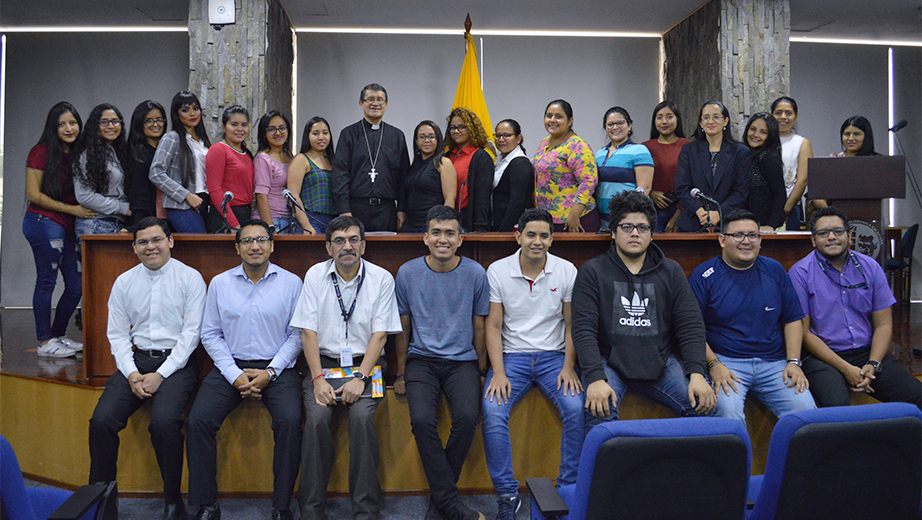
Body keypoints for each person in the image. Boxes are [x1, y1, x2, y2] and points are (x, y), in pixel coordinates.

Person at [88, 217, 205, 520]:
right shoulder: (125, 281)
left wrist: (161, 374)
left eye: (157, 240)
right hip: (137, 362)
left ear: (170, 241)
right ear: (134, 247)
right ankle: (102, 500)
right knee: (101, 421)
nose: (150, 247)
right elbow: (116, 334)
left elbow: (191, 335)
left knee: (164, 423)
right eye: (143, 242)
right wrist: (131, 373)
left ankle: (172, 500)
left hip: (177, 364)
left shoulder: (190, 278)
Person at [186, 219, 303, 520]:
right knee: (198, 422)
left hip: (277, 370)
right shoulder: (220, 284)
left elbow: (298, 335)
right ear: (237, 247)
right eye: (248, 241)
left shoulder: (292, 283)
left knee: (290, 422)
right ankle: (207, 505)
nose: (255, 246)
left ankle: (281, 506)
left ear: (272, 245)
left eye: (262, 239)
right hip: (230, 367)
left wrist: (271, 372)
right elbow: (210, 334)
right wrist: (234, 374)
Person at [291, 215, 401, 520]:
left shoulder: (381, 278)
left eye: (353, 239)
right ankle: (311, 511)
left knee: (362, 420)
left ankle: (366, 511)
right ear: (328, 248)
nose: (347, 246)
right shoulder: (315, 275)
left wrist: (360, 378)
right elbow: (307, 333)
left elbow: (380, 336)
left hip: (367, 364)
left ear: (363, 246)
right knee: (316, 420)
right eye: (339, 240)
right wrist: (316, 379)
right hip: (322, 364)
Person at [572, 190, 715, 425]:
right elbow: (583, 329)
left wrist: (697, 374)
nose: (635, 233)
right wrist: (595, 377)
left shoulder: (671, 271)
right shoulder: (593, 271)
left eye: (643, 227)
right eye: (627, 227)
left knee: (705, 406)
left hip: (660, 364)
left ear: (651, 234)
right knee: (599, 412)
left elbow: (690, 326)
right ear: (613, 232)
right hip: (610, 363)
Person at [482, 208, 583, 519]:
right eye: (530, 235)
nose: (536, 241)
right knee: (492, 409)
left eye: (543, 235)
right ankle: (507, 495)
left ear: (551, 240)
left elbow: (571, 325)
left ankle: (568, 487)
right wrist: (497, 372)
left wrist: (568, 366)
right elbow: (494, 327)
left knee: (577, 408)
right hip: (512, 358)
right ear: (518, 236)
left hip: (555, 358)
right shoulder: (498, 270)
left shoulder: (567, 271)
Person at [394, 205, 489, 520]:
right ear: (425, 237)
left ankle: (441, 500)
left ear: (460, 239)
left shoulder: (476, 273)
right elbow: (403, 328)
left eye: (450, 233)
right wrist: (400, 372)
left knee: (466, 418)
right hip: (421, 360)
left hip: (462, 360)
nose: (442, 239)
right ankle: (449, 502)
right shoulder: (407, 273)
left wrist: (481, 370)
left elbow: (479, 327)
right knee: (421, 421)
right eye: (436, 232)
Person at [689, 210, 815, 427]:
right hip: (726, 362)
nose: (746, 241)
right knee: (729, 417)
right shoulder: (704, 275)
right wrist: (713, 364)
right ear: (722, 240)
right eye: (738, 235)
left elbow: (793, 319)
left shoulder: (774, 270)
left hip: (774, 363)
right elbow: (691, 329)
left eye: (753, 235)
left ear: (760, 239)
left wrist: (793, 362)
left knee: (807, 415)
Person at [789, 206, 921, 408]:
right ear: (813, 240)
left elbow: (883, 325)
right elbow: (804, 334)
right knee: (837, 404)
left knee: (917, 396)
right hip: (823, 356)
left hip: (866, 352)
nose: (831, 237)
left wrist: (873, 364)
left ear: (849, 236)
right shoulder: (800, 273)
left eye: (838, 232)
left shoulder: (870, 266)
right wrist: (846, 368)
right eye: (823, 233)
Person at [23, 101, 90, 357]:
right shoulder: (41, 151)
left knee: (76, 285)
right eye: (62, 124)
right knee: (46, 281)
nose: (68, 128)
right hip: (43, 222)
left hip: (68, 226)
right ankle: (44, 342)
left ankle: (57, 336)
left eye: (73, 123)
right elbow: (33, 194)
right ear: (53, 127)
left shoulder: (80, 153)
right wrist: (71, 210)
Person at [331, 83, 411, 232]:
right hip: (355, 209)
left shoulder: (396, 136)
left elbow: (403, 176)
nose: (375, 103)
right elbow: (340, 174)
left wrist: (401, 209)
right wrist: (344, 210)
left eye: (380, 99)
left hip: (387, 210)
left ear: (386, 104)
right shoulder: (348, 134)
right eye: (370, 99)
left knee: (386, 254)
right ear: (361, 103)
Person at [674, 100, 751, 232]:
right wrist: (699, 211)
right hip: (692, 222)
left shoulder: (740, 152)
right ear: (701, 123)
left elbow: (741, 191)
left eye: (716, 117)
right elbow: (682, 187)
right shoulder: (689, 150)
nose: (711, 121)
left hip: (727, 224)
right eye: (706, 117)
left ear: (725, 121)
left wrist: (719, 213)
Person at [149, 91, 216, 233]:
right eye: (185, 110)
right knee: (200, 249)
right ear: (176, 114)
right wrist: (186, 195)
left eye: (195, 108)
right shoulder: (172, 138)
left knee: (207, 248)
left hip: (204, 202)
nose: (192, 114)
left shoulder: (203, 141)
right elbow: (155, 173)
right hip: (181, 205)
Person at [534, 99, 600, 233]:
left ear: (570, 121)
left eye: (559, 117)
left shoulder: (578, 146)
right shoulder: (544, 143)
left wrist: (574, 216)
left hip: (574, 220)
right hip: (547, 219)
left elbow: (588, 181)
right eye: (549, 116)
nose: (552, 120)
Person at [72, 103, 131, 240]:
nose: (111, 126)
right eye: (104, 122)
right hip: (95, 225)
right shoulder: (88, 155)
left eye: (115, 121)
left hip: (118, 225)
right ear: (95, 126)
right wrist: (123, 208)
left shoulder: (120, 153)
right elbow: (84, 196)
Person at [595, 106, 654, 228]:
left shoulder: (639, 151)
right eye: (610, 124)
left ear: (629, 125)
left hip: (629, 219)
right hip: (602, 218)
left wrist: (629, 218)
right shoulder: (599, 154)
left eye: (620, 123)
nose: (615, 127)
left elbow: (645, 189)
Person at [401, 120, 457, 233]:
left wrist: (443, 227)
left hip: (432, 226)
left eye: (431, 137)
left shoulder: (443, 163)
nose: (427, 140)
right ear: (416, 141)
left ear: (438, 140)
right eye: (422, 137)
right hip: (411, 225)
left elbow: (450, 199)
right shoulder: (414, 165)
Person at [643, 101, 690, 232]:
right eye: (659, 117)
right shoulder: (644, 148)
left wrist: (678, 215)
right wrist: (651, 193)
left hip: (681, 210)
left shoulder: (688, 147)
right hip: (652, 210)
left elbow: (694, 183)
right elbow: (638, 180)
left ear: (678, 120)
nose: (664, 122)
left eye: (669, 117)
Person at [771, 96, 815, 230]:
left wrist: (785, 210)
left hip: (790, 207)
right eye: (778, 113)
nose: (783, 117)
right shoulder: (762, 141)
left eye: (788, 113)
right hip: (764, 206)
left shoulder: (801, 143)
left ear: (796, 116)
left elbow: (803, 180)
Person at [206, 105, 254, 230]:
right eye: (234, 124)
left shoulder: (247, 154)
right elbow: (214, 189)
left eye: (244, 125)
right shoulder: (218, 149)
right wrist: (233, 224)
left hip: (245, 213)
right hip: (225, 216)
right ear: (223, 127)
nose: (240, 129)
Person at [445, 107, 493, 232]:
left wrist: (479, 228)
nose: (456, 131)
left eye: (461, 127)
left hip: (469, 221)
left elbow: (482, 197)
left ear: (471, 129)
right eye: (453, 128)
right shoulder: (448, 156)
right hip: (446, 218)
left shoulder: (481, 157)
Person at [286, 116, 334, 235]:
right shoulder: (301, 159)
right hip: (310, 220)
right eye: (315, 133)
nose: (321, 137)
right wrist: (306, 225)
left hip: (333, 222)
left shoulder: (333, 161)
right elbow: (293, 196)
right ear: (308, 136)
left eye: (325, 133)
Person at [124, 100, 167, 227]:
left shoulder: (167, 149)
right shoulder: (136, 154)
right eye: (149, 120)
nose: (155, 124)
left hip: (168, 217)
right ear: (139, 124)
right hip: (147, 221)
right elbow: (139, 196)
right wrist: (140, 225)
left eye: (159, 119)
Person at [254, 111, 297, 233]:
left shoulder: (290, 156)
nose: (278, 133)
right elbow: (261, 196)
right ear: (264, 134)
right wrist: (270, 226)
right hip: (273, 220)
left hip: (289, 219)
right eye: (271, 129)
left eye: (282, 128)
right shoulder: (263, 159)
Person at [742, 113, 786, 230]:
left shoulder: (767, 157)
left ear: (770, 136)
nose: (755, 135)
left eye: (763, 132)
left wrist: (770, 225)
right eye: (753, 129)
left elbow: (780, 195)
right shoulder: (744, 154)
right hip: (748, 223)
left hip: (765, 226)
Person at [491, 119, 534, 232]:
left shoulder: (520, 163)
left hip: (512, 229)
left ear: (518, 138)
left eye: (507, 135)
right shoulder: (500, 160)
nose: (501, 140)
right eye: (498, 135)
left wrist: (503, 233)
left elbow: (517, 202)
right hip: (498, 225)